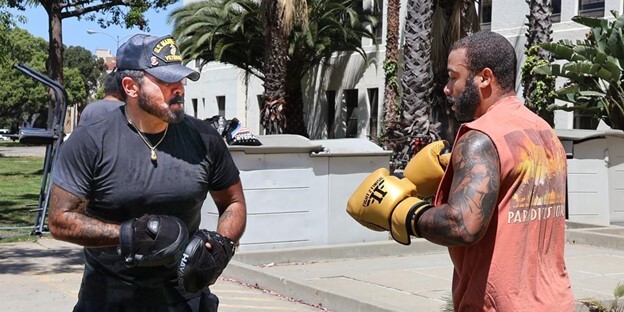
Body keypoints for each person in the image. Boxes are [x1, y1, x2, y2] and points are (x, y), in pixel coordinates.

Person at [347, 31, 574, 311]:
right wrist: (454, 179)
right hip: (555, 301)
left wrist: (405, 213)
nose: (446, 88)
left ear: (484, 78)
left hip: (497, 305)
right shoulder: (544, 133)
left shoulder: (479, 137)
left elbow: (462, 225)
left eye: (453, 76)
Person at [48, 34, 247, 311]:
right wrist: (128, 235)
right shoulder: (92, 139)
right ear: (130, 87)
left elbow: (233, 203)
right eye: (166, 81)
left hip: (183, 296)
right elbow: (60, 220)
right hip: (108, 296)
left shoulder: (204, 138)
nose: (179, 88)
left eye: (181, 79)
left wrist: (223, 243)